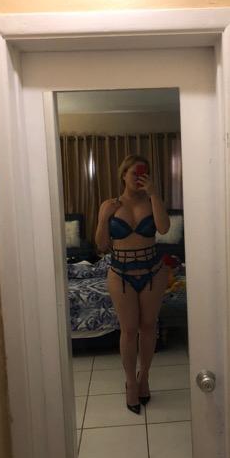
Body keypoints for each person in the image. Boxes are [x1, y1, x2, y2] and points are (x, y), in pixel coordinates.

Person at [95, 155, 170, 414]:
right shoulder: (110, 205)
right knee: (128, 330)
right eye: (134, 173)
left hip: (153, 271)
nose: (139, 178)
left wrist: (154, 194)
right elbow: (101, 245)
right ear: (123, 174)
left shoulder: (152, 201)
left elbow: (163, 228)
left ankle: (144, 377)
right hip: (121, 273)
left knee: (148, 327)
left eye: (144, 173)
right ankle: (130, 382)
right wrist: (103, 219)